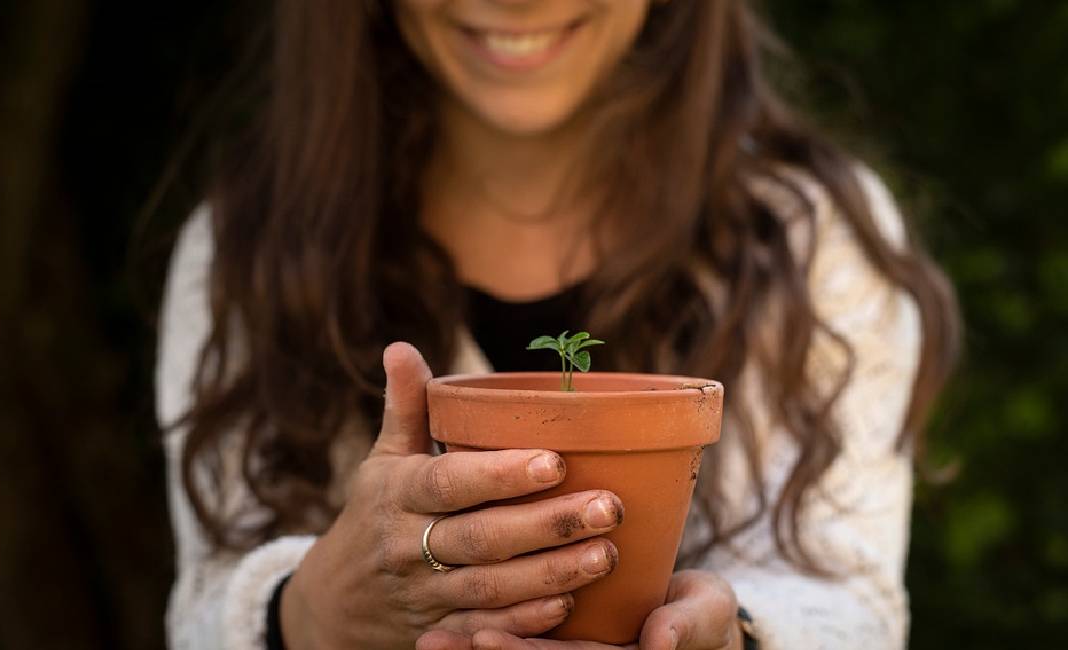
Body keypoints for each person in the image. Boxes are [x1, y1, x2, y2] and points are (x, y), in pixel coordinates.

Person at [156, 1, 959, 649]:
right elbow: (200, 606)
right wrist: (309, 613)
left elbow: (847, 600)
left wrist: (737, 638)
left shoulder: (810, 237)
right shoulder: (245, 251)